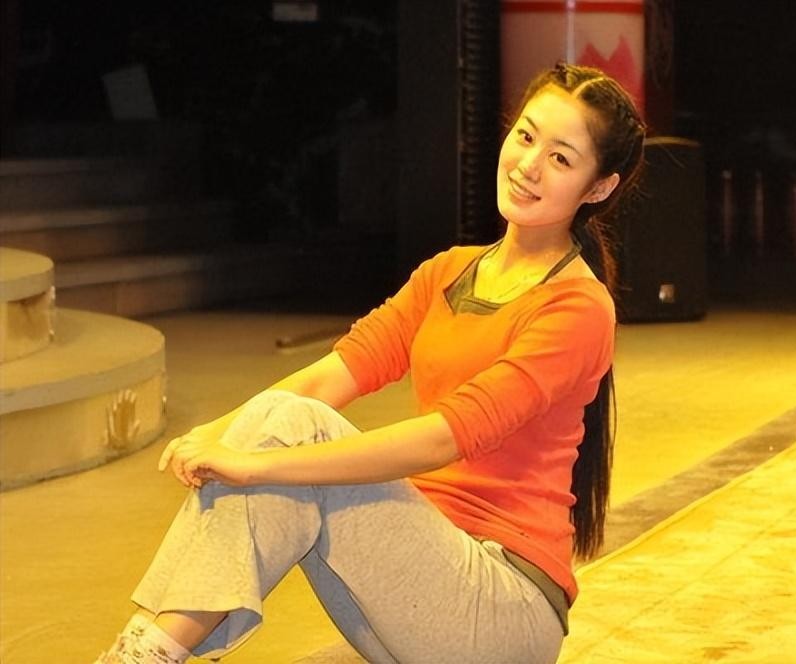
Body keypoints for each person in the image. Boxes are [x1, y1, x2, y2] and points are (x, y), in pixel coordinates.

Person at [94, 62, 646, 664]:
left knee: (294, 432)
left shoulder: (577, 306)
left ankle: (146, 654)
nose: (529, 165)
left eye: (561, 158)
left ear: (598, 188)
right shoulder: (448, 271)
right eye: (526, 136)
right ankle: (147, 650)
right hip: (417, 575)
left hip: (501, 605)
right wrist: (219, 435)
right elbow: (333, 374)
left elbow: (444, 437)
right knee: (283, 414)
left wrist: (255, 466)